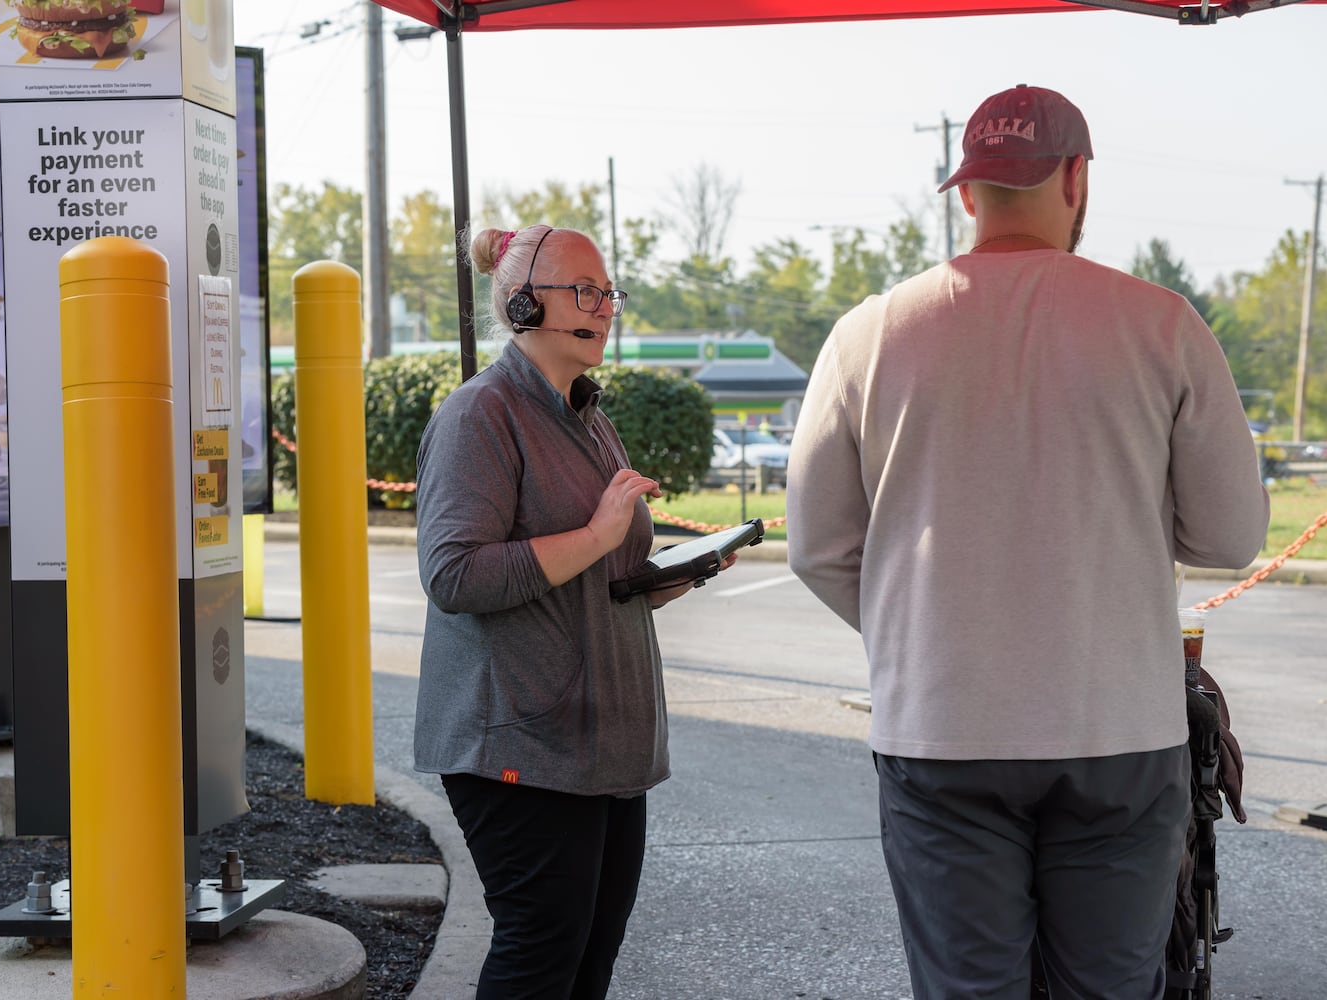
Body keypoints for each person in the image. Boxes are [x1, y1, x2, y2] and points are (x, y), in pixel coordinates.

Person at [786, 84, 1269, 1000]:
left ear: (968, 192)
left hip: (941, 726)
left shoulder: (868, 335)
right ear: (1076, 177)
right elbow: (1230, 537)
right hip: (1119, 728)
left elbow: (817, 548)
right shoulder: (1162, 325)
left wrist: (923, 634)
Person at [414, 224, 722, 999]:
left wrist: (671, 575)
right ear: (522, 303)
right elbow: (455, 574)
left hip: (606, 747)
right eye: (583, 291)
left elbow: (603, 570)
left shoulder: (588, 416)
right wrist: (594, 534)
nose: (604, 306)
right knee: (540, 958)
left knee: (589, 960)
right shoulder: (480, 415)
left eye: (609, 291)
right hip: (521, 744)